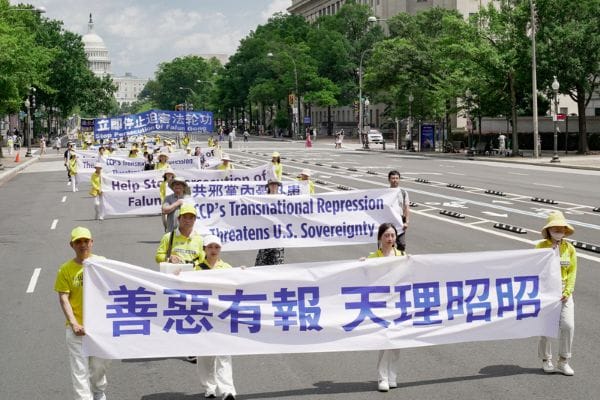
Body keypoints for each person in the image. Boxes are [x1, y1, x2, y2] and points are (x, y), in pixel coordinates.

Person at [54, 227, 111, 400]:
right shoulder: (65, 269)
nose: (82, 245)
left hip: (100, 328)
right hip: (77, 329)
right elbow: (64, 298)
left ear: (91, 242)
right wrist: (74, 323)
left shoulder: (102, 263)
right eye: (78, 242)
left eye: (86, 241)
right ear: (72, 245)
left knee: (99, 367)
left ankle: (98, 392)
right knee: (79, 371)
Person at [361, 223, 406, 392]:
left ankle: (392, 376)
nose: (390, 239)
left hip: (399, 303)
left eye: (392, 235)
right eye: (386, 235)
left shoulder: (402, 255)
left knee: (397, 342)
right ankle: (383, 377)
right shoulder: (373, 257)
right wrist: (362, 265)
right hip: (381, 305)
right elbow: (365, 277)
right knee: (385, 340)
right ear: (380, 237)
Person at [194, 235, 237, 400]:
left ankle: (227, 390)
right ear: (204, 249)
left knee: (224, 352)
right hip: (203, 316)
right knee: (205, 354)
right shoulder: (196, 269)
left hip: (222, 315)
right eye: (210, 247)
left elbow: (237, 285)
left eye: (217, 247)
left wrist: (243, 273)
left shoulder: (227, 267)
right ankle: (209, 387)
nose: (213, 250)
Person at [536, 211, 577, 376]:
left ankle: (563, 361)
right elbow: (535, 268)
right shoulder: (541, 247)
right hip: (546, 292)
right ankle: (546, 359)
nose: (559, 230)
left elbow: (572, 272)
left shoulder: (570, 248)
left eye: (562, 228)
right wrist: (550, 253)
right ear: (548, 230)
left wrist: (568, 291)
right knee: (546, 328)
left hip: (564, 292)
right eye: (555, 228)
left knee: (568, 326)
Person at [254, 179, 285, 266]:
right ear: (268, 186)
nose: (274, 186)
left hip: (278, 234)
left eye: (275, 184)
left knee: (277, 261)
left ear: (278, 186)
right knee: (262, 260)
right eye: (272, 184)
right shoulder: (263, 199)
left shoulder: (283, 198)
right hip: (266, 234)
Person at [388, 170, 410, 251]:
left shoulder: (403, 192)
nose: (395, 180)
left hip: (400, 220)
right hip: (389, 221)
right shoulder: (385, 193)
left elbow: (406, 207)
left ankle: (399, 258)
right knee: (389, 244)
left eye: (397, 178)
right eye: (393, 178)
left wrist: (406, 222)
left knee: (401, 244)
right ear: (389, 179)